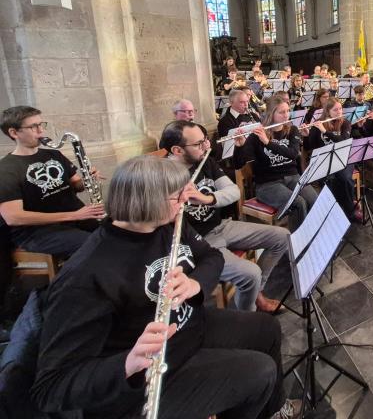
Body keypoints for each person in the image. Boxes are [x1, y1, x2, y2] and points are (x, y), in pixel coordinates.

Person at [31, 155, 298, 419]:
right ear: (145, 202)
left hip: (187, 331)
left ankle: (274, 410)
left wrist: (195, 283)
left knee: (267, 328)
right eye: (176, 196)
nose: (185, 201)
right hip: (145, 383)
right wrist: (126, 363)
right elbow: (51, 388)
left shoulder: (165, 225)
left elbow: (211, 257)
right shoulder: (85, 276)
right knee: (259, 373)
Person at [160, 121, 287, 313]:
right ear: (177, 150)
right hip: (198, 242)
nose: (205, 147)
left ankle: (255, 292)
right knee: (251, 273)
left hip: (221, 226)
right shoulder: (160, 176)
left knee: (282, 237)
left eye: (204, 141)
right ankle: (247, 316)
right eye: (197, 144)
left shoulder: (205, 162)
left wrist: (207, 198)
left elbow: (234, 191)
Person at [0, 106, 106, 256]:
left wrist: (87, 179)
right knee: (93, 245)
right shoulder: (6, 169)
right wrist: (74, 215)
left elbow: (76, 185)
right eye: (33, 126)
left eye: (41, 124)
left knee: (117, 233)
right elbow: (14, 217)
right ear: (14, 132)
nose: (41, 131)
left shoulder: (54, 154)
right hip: (37, 231)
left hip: (74, 218)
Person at [234, 98, 317, 231]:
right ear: (271, 114)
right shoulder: (257, 134)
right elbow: (238, 164)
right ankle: (297, 244)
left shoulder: (292, 130)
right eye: (281, 112)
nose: (286, 115)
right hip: (268, 184)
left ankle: (313, 234)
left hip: (292, 177)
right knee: (298, 203)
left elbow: (292, 154)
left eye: (288, 111)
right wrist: (239, 146)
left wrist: (268, 143)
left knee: (314, 199)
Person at [308, 99, 360, 223]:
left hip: (344, 156)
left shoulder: (345, 122)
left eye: (340, 109)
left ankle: (350, 211)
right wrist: (307, 133)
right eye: (335, 110)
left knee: (345, 178)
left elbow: (343, 140)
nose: (339, 112)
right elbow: (311, 145)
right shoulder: (319, 123)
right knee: (331, 179)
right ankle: (334, 210)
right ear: (327, 112)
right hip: (326, 158)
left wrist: (325, 132)